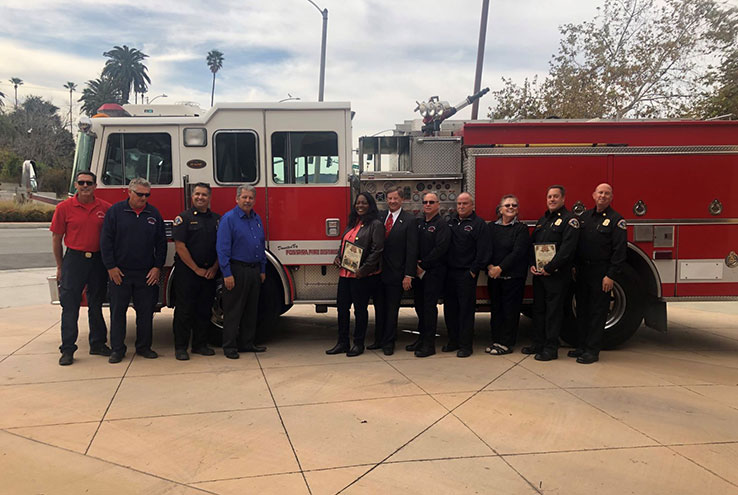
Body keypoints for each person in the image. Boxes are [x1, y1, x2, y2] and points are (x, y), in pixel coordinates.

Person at [101, 177, 167, 363]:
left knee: (145, 313)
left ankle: (144, 347)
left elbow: (161, 244)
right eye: (140, 194)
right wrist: (111, 267)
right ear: (129, 192)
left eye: (147, 195)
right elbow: (106, 242)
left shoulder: (153, 214)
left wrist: (157, 268)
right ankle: (117, 350)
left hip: (146, 274)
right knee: (118, 313)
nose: (143, 198)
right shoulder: (115, 212)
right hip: (120, 273)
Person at [50, 171, 112, 366]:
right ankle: (67, 349)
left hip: (98, 261)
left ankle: (98, 344)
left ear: (95, 186)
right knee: (70, 307)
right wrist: (60, 266)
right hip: (74, 260)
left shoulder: (106, 208)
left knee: (96, 304)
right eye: (81, 182)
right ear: (76, 185)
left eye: (89, 183)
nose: (85, 186)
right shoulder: (64, 208)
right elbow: (57, 238)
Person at [570, 183, 627, 364]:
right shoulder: (585, 217)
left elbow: (619, 251)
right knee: (583, 310)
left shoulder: (616, 220)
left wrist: (611, 275)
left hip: (601, 272)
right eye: (600, 192)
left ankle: (592, 351)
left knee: (598, 311)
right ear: (593, 195)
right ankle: (581, 346)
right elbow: (578, 245)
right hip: (583, 271)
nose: (602, 196)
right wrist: (574, 266)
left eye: (606, 193)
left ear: (611, 197)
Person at [526, 185, 580, 361]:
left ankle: (551, 348)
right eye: (549, 197)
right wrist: (532, 265)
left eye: (555, 197)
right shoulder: (544, 220)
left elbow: (567, 250)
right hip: (540, 274)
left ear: (563, 199)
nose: (552, 200)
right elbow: (533, 245)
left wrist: (549, 268)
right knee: (539, 309)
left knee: (553, 312)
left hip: (556, 275)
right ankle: (538, 343)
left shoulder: (569, 220)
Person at [327, 192, 384, 357]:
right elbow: (344, 243)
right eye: (358, 203)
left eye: (364, 203)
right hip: (345, 275)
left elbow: (377, 250)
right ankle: (342, 342)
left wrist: (364, 270)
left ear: (370, 205)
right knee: (342, 309)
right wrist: (338, 256)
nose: (360, 206)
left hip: (361, 277)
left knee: (360, 310)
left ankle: (358, 344)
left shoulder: (375, 224)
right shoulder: (352, 223)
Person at [216, 185, 267, 359]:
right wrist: (227, 273)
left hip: (254, 270)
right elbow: (222, 249)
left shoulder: (256, 218)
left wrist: (263, 268)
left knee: (251, 310)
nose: (247, 201)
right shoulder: (228, 219)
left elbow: (261, 245)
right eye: (244, 197)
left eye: (250, 198)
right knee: (233, 311)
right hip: (236, 270)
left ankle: (247, 344)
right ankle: (229, 347)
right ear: (237, 199)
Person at [171, 183, 220, 361]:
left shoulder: (217, 220)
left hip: (209, 273)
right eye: (197, 194)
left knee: (204, 310)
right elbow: (180, 246)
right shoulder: (183, 218)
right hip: (188, 273)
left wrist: (214, 268)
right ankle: (181, 347)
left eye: (204, 195)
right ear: (192, 197)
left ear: (209, 198)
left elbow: (221, 247)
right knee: (184, 310)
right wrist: (196, 269)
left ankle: (200, 345)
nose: (200, 197)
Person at [369, 186, 417, 356]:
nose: (392, 201)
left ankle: (389, 343)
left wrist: (408, 275)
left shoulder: (409, 220)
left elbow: (412, 250)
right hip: (378, 273)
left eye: (395, 198)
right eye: (389, 198)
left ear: (402, 200)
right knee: (379, 308)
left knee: (391, 310)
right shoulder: (380, 217)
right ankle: (378, 340)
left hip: (396, 274)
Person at [443, 192, 490, 358]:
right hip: (449, 273)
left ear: (472, 205)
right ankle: (453, 341)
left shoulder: (479, 224)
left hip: (466, 274)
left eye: (465, 204)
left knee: (465, 311)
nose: (461, 207)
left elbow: (483, 251)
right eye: (459, 204)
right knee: (450, 310)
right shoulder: (450, 222)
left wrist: (473, 271)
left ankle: (465, 345)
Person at [485, 194, 531, 356]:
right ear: (500, 209)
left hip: (513, 278)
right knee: (496, 310)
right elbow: (486, 248)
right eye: (507, 205)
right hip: (494, 278)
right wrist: (490, 266)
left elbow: (518, 252)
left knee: (510, 312)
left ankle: (506, 343)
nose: (511, 208)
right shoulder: (491, 228)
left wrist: (500, 268)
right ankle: (496, 340)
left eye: (514, 205)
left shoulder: (521, 229)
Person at [407, 192, 450, 358]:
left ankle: (429, 345)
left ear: (438, 204)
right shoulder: (420, 223)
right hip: (419, 273)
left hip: (433, 273)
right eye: (425, 202)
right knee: (420, 307)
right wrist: (416, 266)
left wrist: (422, 265)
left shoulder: (441, 225)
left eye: (431, 202)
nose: (428, 205)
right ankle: (421, 338)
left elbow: (441, 249)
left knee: (429, 309)